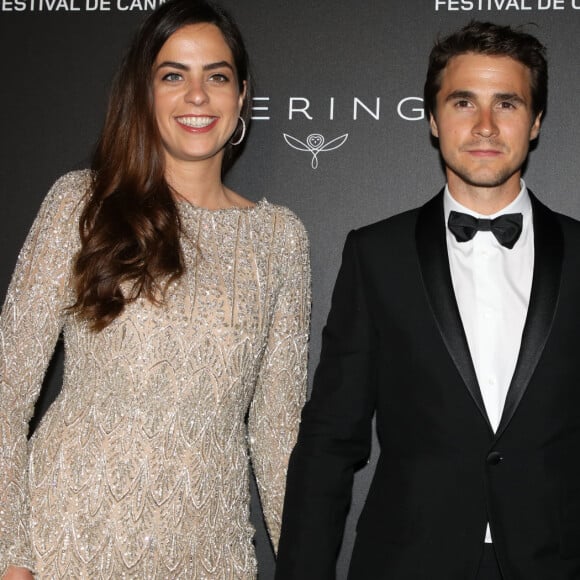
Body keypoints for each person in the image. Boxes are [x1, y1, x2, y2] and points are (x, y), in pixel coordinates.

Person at [0, 0, 310, 577]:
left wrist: (303, 563)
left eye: (216, 76)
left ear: (241, 96)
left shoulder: (280, 241)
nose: (197, 96)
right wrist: (10, 554)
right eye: (174, 75)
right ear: (145, 94)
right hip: (66, 542)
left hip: (206, 552)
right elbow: (6, 391)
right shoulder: (81, 204)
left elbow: (277, 432)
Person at [276, 20, 580, 580]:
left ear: (535, 123)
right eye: (463, 102)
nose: (485, 125)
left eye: (507, 104)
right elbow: (330, 439)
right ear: (433, 119)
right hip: (406, 563)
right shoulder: (376, 254)